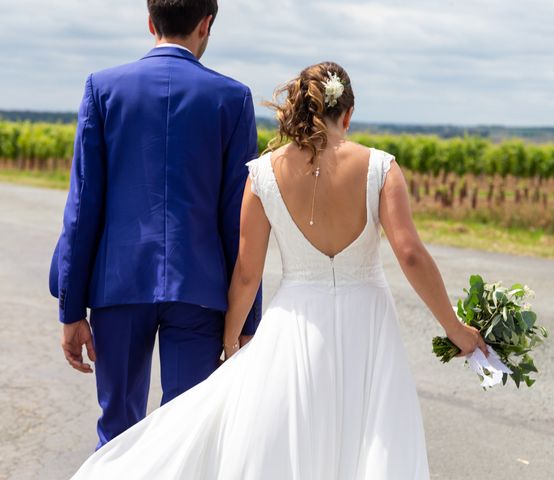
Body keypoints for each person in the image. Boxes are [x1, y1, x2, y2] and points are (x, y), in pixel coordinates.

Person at [68, 61, 488, 479]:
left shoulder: (263, 174)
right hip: (370, 323)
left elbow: (247, 274)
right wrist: (455, 328)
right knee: (371, 438)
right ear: (348, 113)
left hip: (295, 325)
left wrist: (230, 342)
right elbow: (410, 254)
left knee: (295, 444)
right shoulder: (380, 167)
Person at [48, 0, 261, 451]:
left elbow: (83, 207)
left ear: (150, 23)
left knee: (118, 434)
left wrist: (71, 308)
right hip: (200, 291)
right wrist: (246, 321)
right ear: (206, 25)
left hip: (117, 287)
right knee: (186, 435)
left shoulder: (102, 88)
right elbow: (240, 217)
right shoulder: (233, 97)